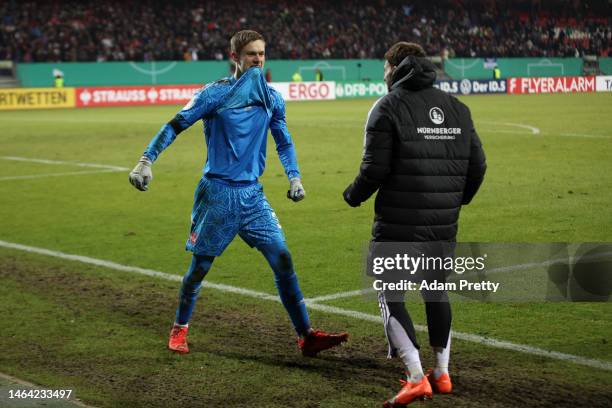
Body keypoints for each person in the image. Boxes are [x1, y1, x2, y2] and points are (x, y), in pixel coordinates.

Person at [128, 30, 348, 357]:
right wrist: (146, 160)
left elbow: (284, 141)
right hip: (217, 195)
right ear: (235, 57)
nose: (258, 59)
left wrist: (295, 177)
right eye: (251, 55)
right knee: (200, 267)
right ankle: (179, 328)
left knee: (283, 260)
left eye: (261, 53)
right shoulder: (214, 94)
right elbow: (175, 124)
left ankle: (306, 336)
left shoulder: (272, 98)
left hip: (252, 197)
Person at [343, 42, 486, 406]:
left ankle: (415, 376)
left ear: (394, 66)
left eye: (384, 67)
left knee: (390, 293)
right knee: (435, 290)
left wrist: (353, 195)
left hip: (398, 222)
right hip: (444, 222)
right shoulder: (458, 107)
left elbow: (374, 168)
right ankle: (441, 372)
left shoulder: (388, 106)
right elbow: (478, 165)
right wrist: (457, 200)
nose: (383, 74)